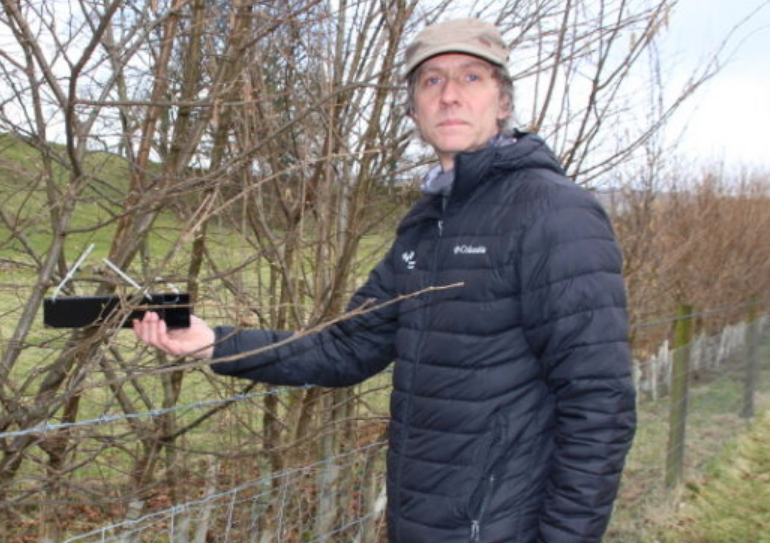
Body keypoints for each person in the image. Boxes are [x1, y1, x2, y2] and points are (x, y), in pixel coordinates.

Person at [133, 18, 636, 543]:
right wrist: (215, 343)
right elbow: (347, 347)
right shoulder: (426, 225)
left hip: (504, 527)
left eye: (471, 78)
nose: (450, 97)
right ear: (413, 108)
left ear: (502, 102)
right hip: (420, 522)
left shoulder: (555, 214)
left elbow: (600, 402)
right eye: (432, 81)